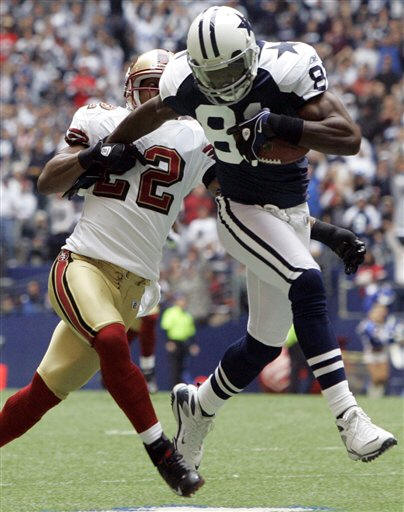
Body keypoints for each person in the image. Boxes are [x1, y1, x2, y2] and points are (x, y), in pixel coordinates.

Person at [105, 5, 396, 470]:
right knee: (307, 280)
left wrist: (281, 124)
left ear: (250, 52)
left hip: (290, 213)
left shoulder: (286, 68)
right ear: (195, 67)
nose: (222, 84)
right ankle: (349, 417)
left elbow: (348, 137)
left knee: (263, 343)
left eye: (230, 70)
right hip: (239, 208)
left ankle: (198, 408)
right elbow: (152, 113)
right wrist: (109, 148)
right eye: (212, 75)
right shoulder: (182, 81)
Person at [0, 48, 216, 498]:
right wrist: (93, 157)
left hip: (134, 287)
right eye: (148, 86)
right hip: (82, 264)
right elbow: (49, 180)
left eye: (163, 86)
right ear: (130, 89)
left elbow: (237, 194)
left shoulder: (196, 137)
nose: (154, 95)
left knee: (41, 394)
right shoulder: (102, 119)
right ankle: (164, 455)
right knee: (114, 340)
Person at [161, 294, 199, 388]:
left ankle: (181, 387)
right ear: (176, 302)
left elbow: (191, 331)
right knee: (174, 367)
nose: (183, 303)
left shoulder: (187, 315)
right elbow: (165, 328)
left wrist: (193, 344)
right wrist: (168, 342)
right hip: (174, 342)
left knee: (183, 367)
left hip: (185, 343)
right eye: (181, 300)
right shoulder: (170, 312)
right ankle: (174, 388)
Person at [128, 307, 160, 394]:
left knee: (150, 318)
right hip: (126, 305)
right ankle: (113, 368)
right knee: (121, 336)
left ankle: (148, 372)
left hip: (142, 302)